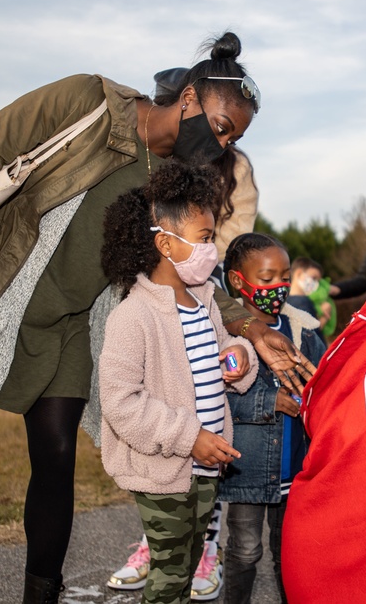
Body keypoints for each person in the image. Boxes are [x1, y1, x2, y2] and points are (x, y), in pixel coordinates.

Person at [0, 32, 309, 604]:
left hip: (72, 325)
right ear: (189, 97)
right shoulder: (88, 102)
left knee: (55, 456)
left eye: (234, 138)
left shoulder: (172, 182)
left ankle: (42, 595)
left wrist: (250, 325)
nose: (222, 144)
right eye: (222, 126)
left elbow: (185, 270)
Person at [106, 140, 259, 602]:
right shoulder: (134, 315)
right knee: (170, 578)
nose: (212, 249)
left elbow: (227, 346)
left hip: (206, 469)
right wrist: (190, 437)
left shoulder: (206, 300)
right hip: (166, 468)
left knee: (189, 565)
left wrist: (240, 359)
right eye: (206, 237)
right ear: (166, 243)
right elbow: (120, 401)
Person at [221, 233, 326, 603]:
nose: (277, 287)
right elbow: (216, 403)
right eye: (266, 279)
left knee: (291, 556)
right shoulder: (225, 336)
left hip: (295, 473)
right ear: (238, 280)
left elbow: (325, 384)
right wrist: (271, 401)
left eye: (284, 276)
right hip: (247, 473)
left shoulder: (305, 331)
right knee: (246, 550)